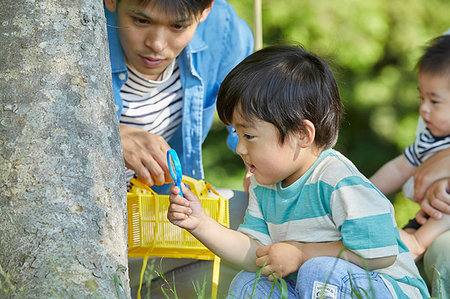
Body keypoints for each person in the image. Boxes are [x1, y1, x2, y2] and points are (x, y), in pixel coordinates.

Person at [168, 45, 429, 298]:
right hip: (313, 287)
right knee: (249, 283)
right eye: (237, 134)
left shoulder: (337, 179)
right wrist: (201, 224)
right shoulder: (264, 185)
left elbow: (380, 251)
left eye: (248, 135)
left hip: (387, 287)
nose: (239, 148)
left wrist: (302, 253)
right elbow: (257, 254)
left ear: (302, 134)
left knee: (318, 270)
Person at [104, 0, 254, 297]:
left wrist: (264, 174)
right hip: (91, 220)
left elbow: (255, 124)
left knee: (252, 218)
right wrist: (111, 138)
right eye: (141, 21)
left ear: (205, 10)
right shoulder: (71, 29)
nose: (156, 44)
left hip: (155, 214)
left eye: (178, 26)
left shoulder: (223, 30)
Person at [370, 34, 450, 298]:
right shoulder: (430, 139)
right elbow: (398, 168)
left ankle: (417, 243)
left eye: (435, 101)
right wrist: (362, 191)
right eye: (421, 99)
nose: (424, 109)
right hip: (425, 219)